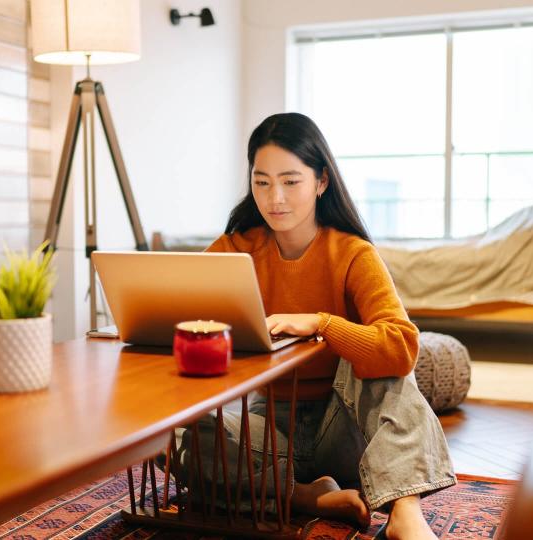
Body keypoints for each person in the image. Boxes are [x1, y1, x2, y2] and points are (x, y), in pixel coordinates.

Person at [177, 112, 455, 540]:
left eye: (291, 181)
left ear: (321, 181)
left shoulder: (352, 253)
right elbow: (179, 308)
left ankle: (405, 515)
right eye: (262, 181)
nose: (275, 198)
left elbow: (402, 347)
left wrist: (324, 324)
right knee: (174, 437)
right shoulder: (235, 250)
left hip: (342, 428)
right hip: (269, 433)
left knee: (381, 365)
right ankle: (304, 497)